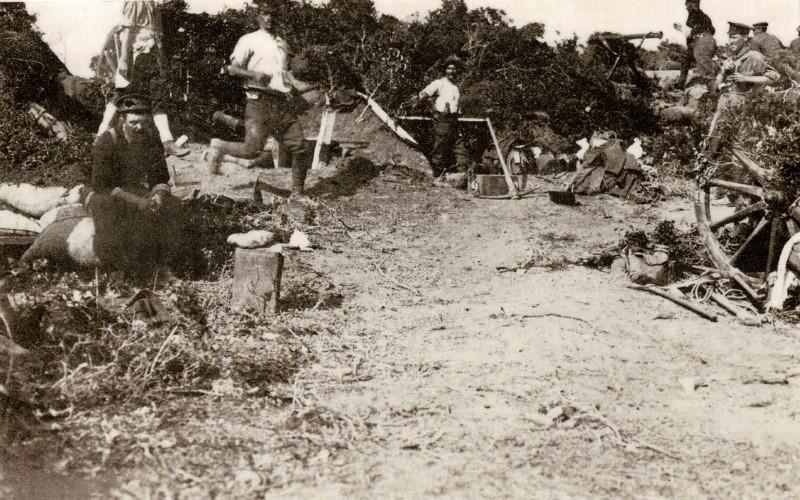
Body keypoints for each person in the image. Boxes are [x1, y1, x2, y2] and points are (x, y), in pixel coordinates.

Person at [204, 4, 310, 196]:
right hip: (259, 101)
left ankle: (298, 194)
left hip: (282, 103)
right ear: (258, 16)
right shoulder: (249, 40)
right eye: (265, 13)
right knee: (252, 150)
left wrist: (299, 86)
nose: (270, 18)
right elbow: (232, 69)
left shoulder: (282, 43)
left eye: (273, 13)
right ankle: (219, 146)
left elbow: (285, 74)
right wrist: (254, 74)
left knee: (301, 147)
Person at [97, 27, 188, 157]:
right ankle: (100, 138)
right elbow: (124, 60)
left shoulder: (151, 64)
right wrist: (127, 32)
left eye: (150, 49)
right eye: (142, 48)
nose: (147, 52)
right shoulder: (127, 61)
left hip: (145, 97)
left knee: (159, 104)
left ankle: (167, 142)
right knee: (115, 105)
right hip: (129, 99)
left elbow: (158, 78)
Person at [705, 22, 780, 156]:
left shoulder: (754, 56)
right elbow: (716, 86)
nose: (730, 41)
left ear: (745, 38)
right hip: (723, 106)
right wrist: (722, 72)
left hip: (743, 110)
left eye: (734, 37)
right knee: (713, 141)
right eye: (729, 37)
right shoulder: (729, 59)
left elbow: (774, 77)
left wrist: (746, 78)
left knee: (739, 147)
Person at [416, 56, 463, 183]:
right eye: (449, 68)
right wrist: (433, 110)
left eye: (454, 69)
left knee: (452, 147)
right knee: (440, 147)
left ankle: (447, 174)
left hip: (453, 120)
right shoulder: (439, 83)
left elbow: (456, 105)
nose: (452, 71)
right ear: (445, 70)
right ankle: (436, 176)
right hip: (442, 119)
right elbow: (423, 94)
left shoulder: (455, 87)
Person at [675, 0, 717, 90]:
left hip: (703, 44)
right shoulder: (697, 15)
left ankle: (713, 91)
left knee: (705, 68)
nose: (686, 7)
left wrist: (681, 28)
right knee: (685, 59)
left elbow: (694, 32)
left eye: (688, 5)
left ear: (694, 5)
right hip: (697, 44)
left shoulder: (698, 15)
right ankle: (679, 86)